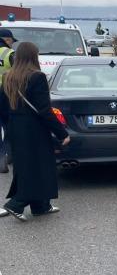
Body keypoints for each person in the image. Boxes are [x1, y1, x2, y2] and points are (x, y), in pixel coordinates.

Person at [0, 42, 70, 221]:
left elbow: (3, 107)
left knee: (25, 166)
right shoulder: (37, 77)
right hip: (34, 129)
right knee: (40, 167)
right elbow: (44, 110)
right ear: (33, 56)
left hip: (15, 127)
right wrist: (62, 133)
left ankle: (41, 205)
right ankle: (16, 204)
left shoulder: (8, 76)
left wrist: (9, 129)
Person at [0, 29, 16, 174]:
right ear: (6, 40)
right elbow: (18, 74)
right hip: (5, 94)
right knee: (9, 125)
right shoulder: (9, 53)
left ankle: (1, 158)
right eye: (11, 40)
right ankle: (8, 156)